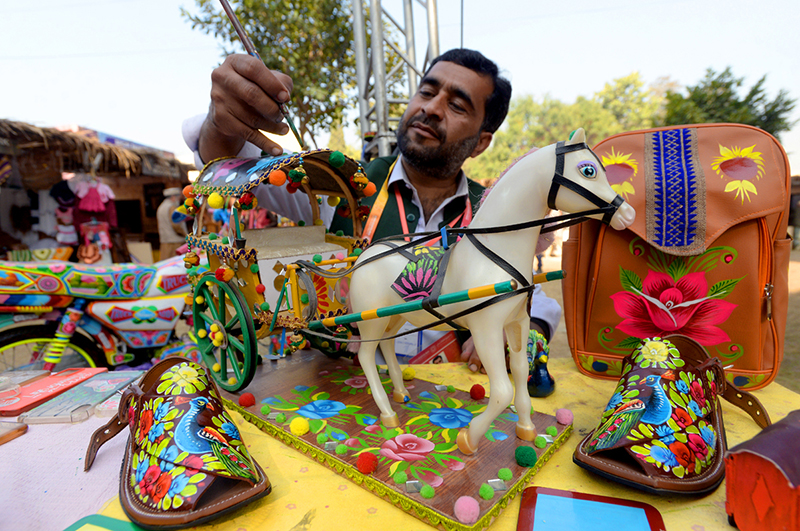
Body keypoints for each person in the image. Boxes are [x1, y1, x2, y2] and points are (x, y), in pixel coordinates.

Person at [183, 48, 561, 373]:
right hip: (336, 399)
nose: (431, 108)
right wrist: (222, 121)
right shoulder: (340, 185)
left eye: (457, 104)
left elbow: (531, 296)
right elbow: (229, 158)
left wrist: (529, 331)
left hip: (449, 407)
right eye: (427, 91)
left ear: (481, 143)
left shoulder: (489, 213)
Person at [156, 187, 187, 260]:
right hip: (175, 242)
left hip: (165, 241)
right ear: (173, 197)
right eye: (178, 197)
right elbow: (176, 225)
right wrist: (186, 235)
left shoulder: (161, 207)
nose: (179, 199)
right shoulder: (172, 207)